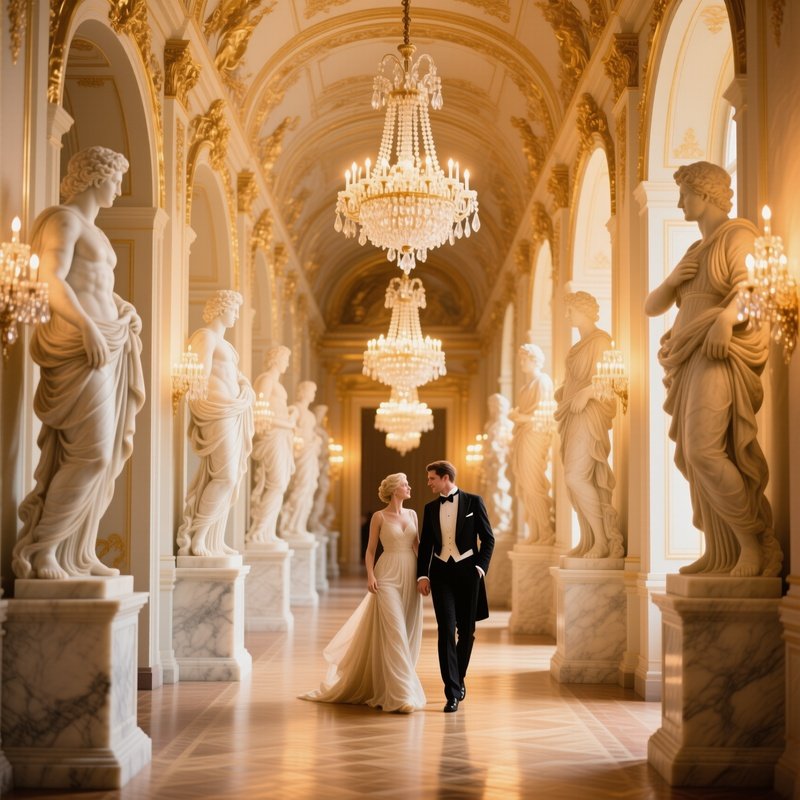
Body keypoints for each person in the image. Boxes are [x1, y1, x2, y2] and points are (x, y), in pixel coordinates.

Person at [13, 146, 145, 580]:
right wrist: (88, 326)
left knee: (105, 456)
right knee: (89, 453)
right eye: (115, 179)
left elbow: (96, 287)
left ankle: (78, 550)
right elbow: (50, 278)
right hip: (80, 347)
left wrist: (121, 309)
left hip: (107, 346)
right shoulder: (64, 220)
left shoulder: (97, 233)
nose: (120, 189)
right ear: (94, 177)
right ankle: (43, 549)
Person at [645, 160, 782, 577]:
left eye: (686, 192)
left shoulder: (737, 235)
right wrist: (672, 281)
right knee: (691, 453)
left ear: (705, 193)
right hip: (689, 356)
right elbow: (652, 306)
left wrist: (726, 319)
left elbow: (751, 287)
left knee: (706, 450)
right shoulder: (694, 251)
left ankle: (753, 544)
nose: (681, 201)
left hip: (716, 352)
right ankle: (719, 551)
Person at [301, 473, 426, 713]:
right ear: (393, 489)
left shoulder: (412, 515)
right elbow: (370, 551)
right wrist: (370, 575)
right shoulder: (379, 517)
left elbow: (417, 547)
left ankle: (392, 686)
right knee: (395, 631)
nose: (409, 487)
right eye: (404, 484)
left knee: (407, 631)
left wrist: (425, 576)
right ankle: (402, 695)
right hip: (386, 575)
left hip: (409, 575)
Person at [176, 290, 254, 557]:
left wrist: (244, 387)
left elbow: (236, 376)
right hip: (217, 411)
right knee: (225, 475)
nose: (236, 315)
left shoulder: (227, 346)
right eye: (234, 310)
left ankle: (213, 540)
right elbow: (199, 376)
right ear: (221, 309)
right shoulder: (206, 337)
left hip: (232, 412)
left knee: (231, 479)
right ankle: (197, 537)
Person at [417, 460, 494, 712]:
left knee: (466, 632)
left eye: (431, 478)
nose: (428, 483)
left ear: (445, 477)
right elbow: (426, 545)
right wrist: (422, 576)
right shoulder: (429, 509)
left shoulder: (474, 501)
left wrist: (480, 568)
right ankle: (451, 692)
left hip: (468, 574)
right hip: (440, 575)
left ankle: (458, 678)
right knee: (446, 630)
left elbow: (488, 538)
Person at [554, 291, 624, 559]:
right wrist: (564, 392)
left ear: (583, 310)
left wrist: (587, 392)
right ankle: (589, 539)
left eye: (570, 310)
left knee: (576, 476)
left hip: (589, 414)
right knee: (572, 480)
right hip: (572, 414)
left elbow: (609, 380)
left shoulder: (601, 341)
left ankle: (604, 541)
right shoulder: (576, 347)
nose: (567, 315)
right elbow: (573, 381)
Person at [246, 345, 296, 546]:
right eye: (286, 359)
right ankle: (257, 532)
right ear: (276, 359)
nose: (288, 364)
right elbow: (260, 413)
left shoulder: (276, 382)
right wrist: (288, 423)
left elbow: (277, 411)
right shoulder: (265, 380)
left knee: (280, 484)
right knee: (275, 484)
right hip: (272, 437)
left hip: (282, 437)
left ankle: (268, 532)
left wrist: (290, 415)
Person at [509, 344, 555, 544]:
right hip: (522, 436)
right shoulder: (525, 387)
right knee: (524, 486)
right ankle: (535, 532)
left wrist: (518, 416)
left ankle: (546, 531)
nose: (521, 363)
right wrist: (518, 416)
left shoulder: (542, 382)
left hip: (534, 437)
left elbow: (543, 416)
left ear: (535, 360)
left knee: (533, 483)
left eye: (524, 359)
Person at [279, 381, 321, 541]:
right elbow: (290, 429)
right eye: (312, 391)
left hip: (310, 454)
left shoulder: (310, 415)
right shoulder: (295, 409)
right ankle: (290, 526)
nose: (313, 395)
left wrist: (315, 439)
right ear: (303, 392)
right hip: (301, 452)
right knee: (300, 487)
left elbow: (309, 433)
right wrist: (303, 439)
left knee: (310, 487)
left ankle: (299, 525)